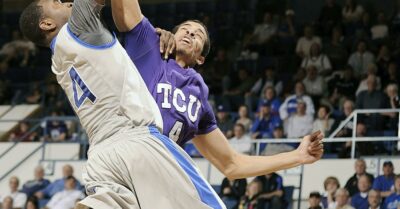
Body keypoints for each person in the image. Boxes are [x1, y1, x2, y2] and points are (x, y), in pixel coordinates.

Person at [19, 0, 226, 208]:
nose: (66, 2)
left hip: (100, 159)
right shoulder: (79, 24)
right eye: (56, 3)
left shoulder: (58, 62)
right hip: (135, 140)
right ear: (46, 24)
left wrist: (155, 37)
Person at [120, 0, 324, 187]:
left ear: (200, 59)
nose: (190, 33)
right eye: (185, 29)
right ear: (172, 37)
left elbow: (232, 165)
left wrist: (298, 156)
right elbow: (126, 10)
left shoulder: (199, 98)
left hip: (158, 175)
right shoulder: (149, 48)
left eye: (198, 35)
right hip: (125, 155)